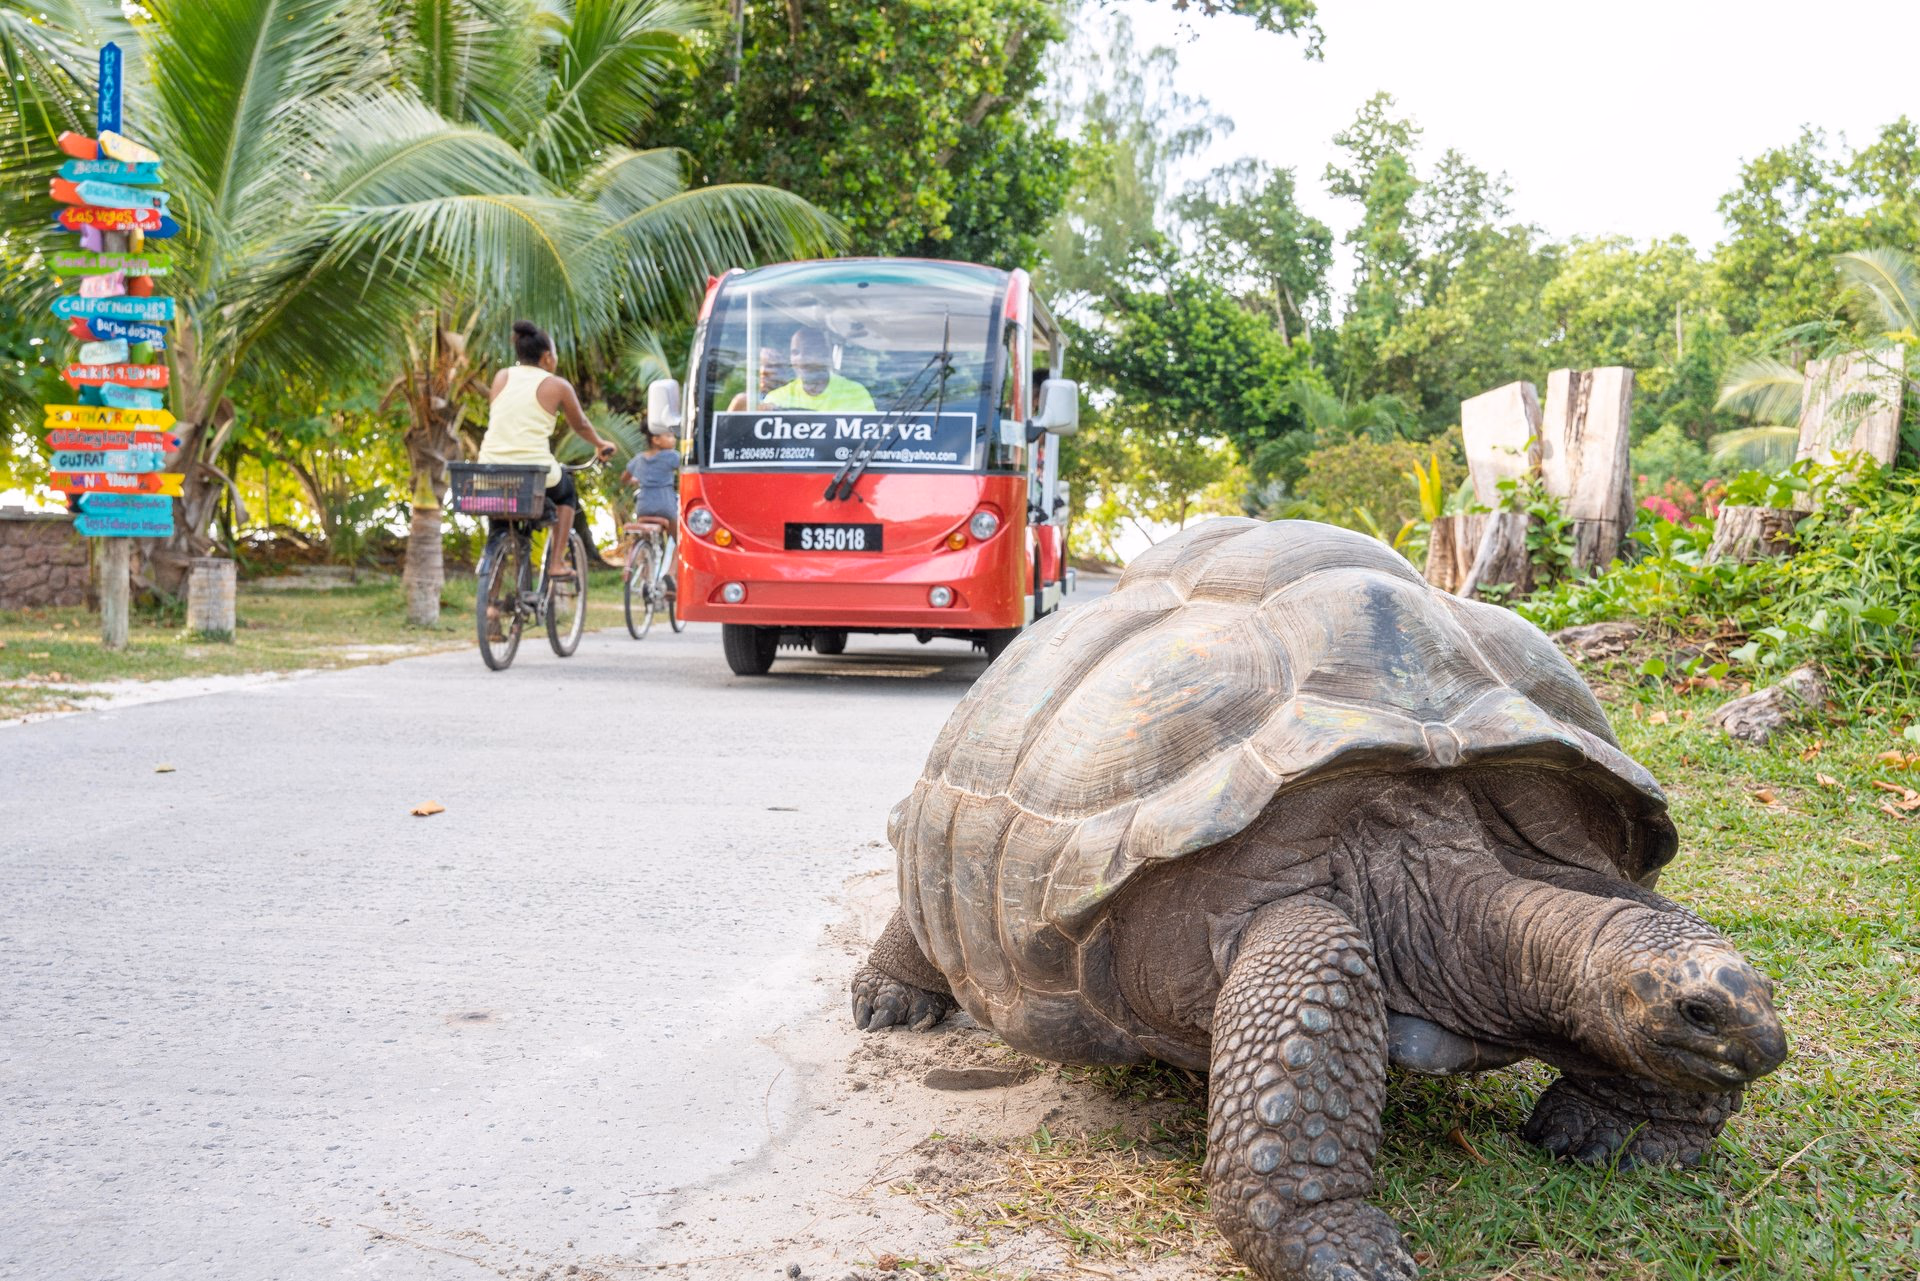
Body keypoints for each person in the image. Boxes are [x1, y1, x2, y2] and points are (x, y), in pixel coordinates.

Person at [478, 320, 615, 581]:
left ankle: (491, 606)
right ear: (547, 357)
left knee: (499, 525)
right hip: (534, 472)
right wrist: (600, 444)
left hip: (490, 468)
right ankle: (556, 563)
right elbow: (581, 425)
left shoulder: (501, 377)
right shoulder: (557, 385)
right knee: (566, 495)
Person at [764, 327, 875, 411]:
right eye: (795, 352)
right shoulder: (777, 399)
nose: (801, 359)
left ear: (825, 355)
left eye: (808, 351)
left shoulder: (855, 393)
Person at [624, 425, 681, 532]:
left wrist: (635, 480)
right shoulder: (672, 456)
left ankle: (646, 546)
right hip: (665, 504)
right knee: (679, 537)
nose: (673, 439)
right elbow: (685, 471)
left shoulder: (639, 458)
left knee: (646, 535)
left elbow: (624, 478)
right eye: (669, 436)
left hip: (643, 507)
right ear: (656, 440)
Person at [728, 345, 787, 412]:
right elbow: (726, 421)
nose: (763, 370)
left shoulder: (790, 398)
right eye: (758, 365)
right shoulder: (744, 401)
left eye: (771, 366)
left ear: (783, 372)